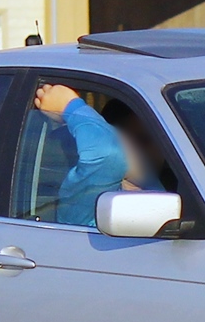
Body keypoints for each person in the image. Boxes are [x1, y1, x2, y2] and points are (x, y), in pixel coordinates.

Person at [33, 84, 162, 226]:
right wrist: (70, 108)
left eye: (162, 138)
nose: (159, 148)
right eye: (144, 139)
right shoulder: (84, 207)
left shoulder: (152, 184)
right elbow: (108, 154)